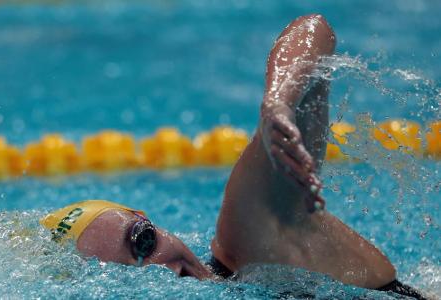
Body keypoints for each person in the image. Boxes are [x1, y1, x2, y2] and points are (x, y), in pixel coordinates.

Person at [40, 14, 427, 299]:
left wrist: (278, 102)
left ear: (149, 221)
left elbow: (313, 30)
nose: (160, 271)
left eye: (142, 242)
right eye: (124, 279)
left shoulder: (252, 250)